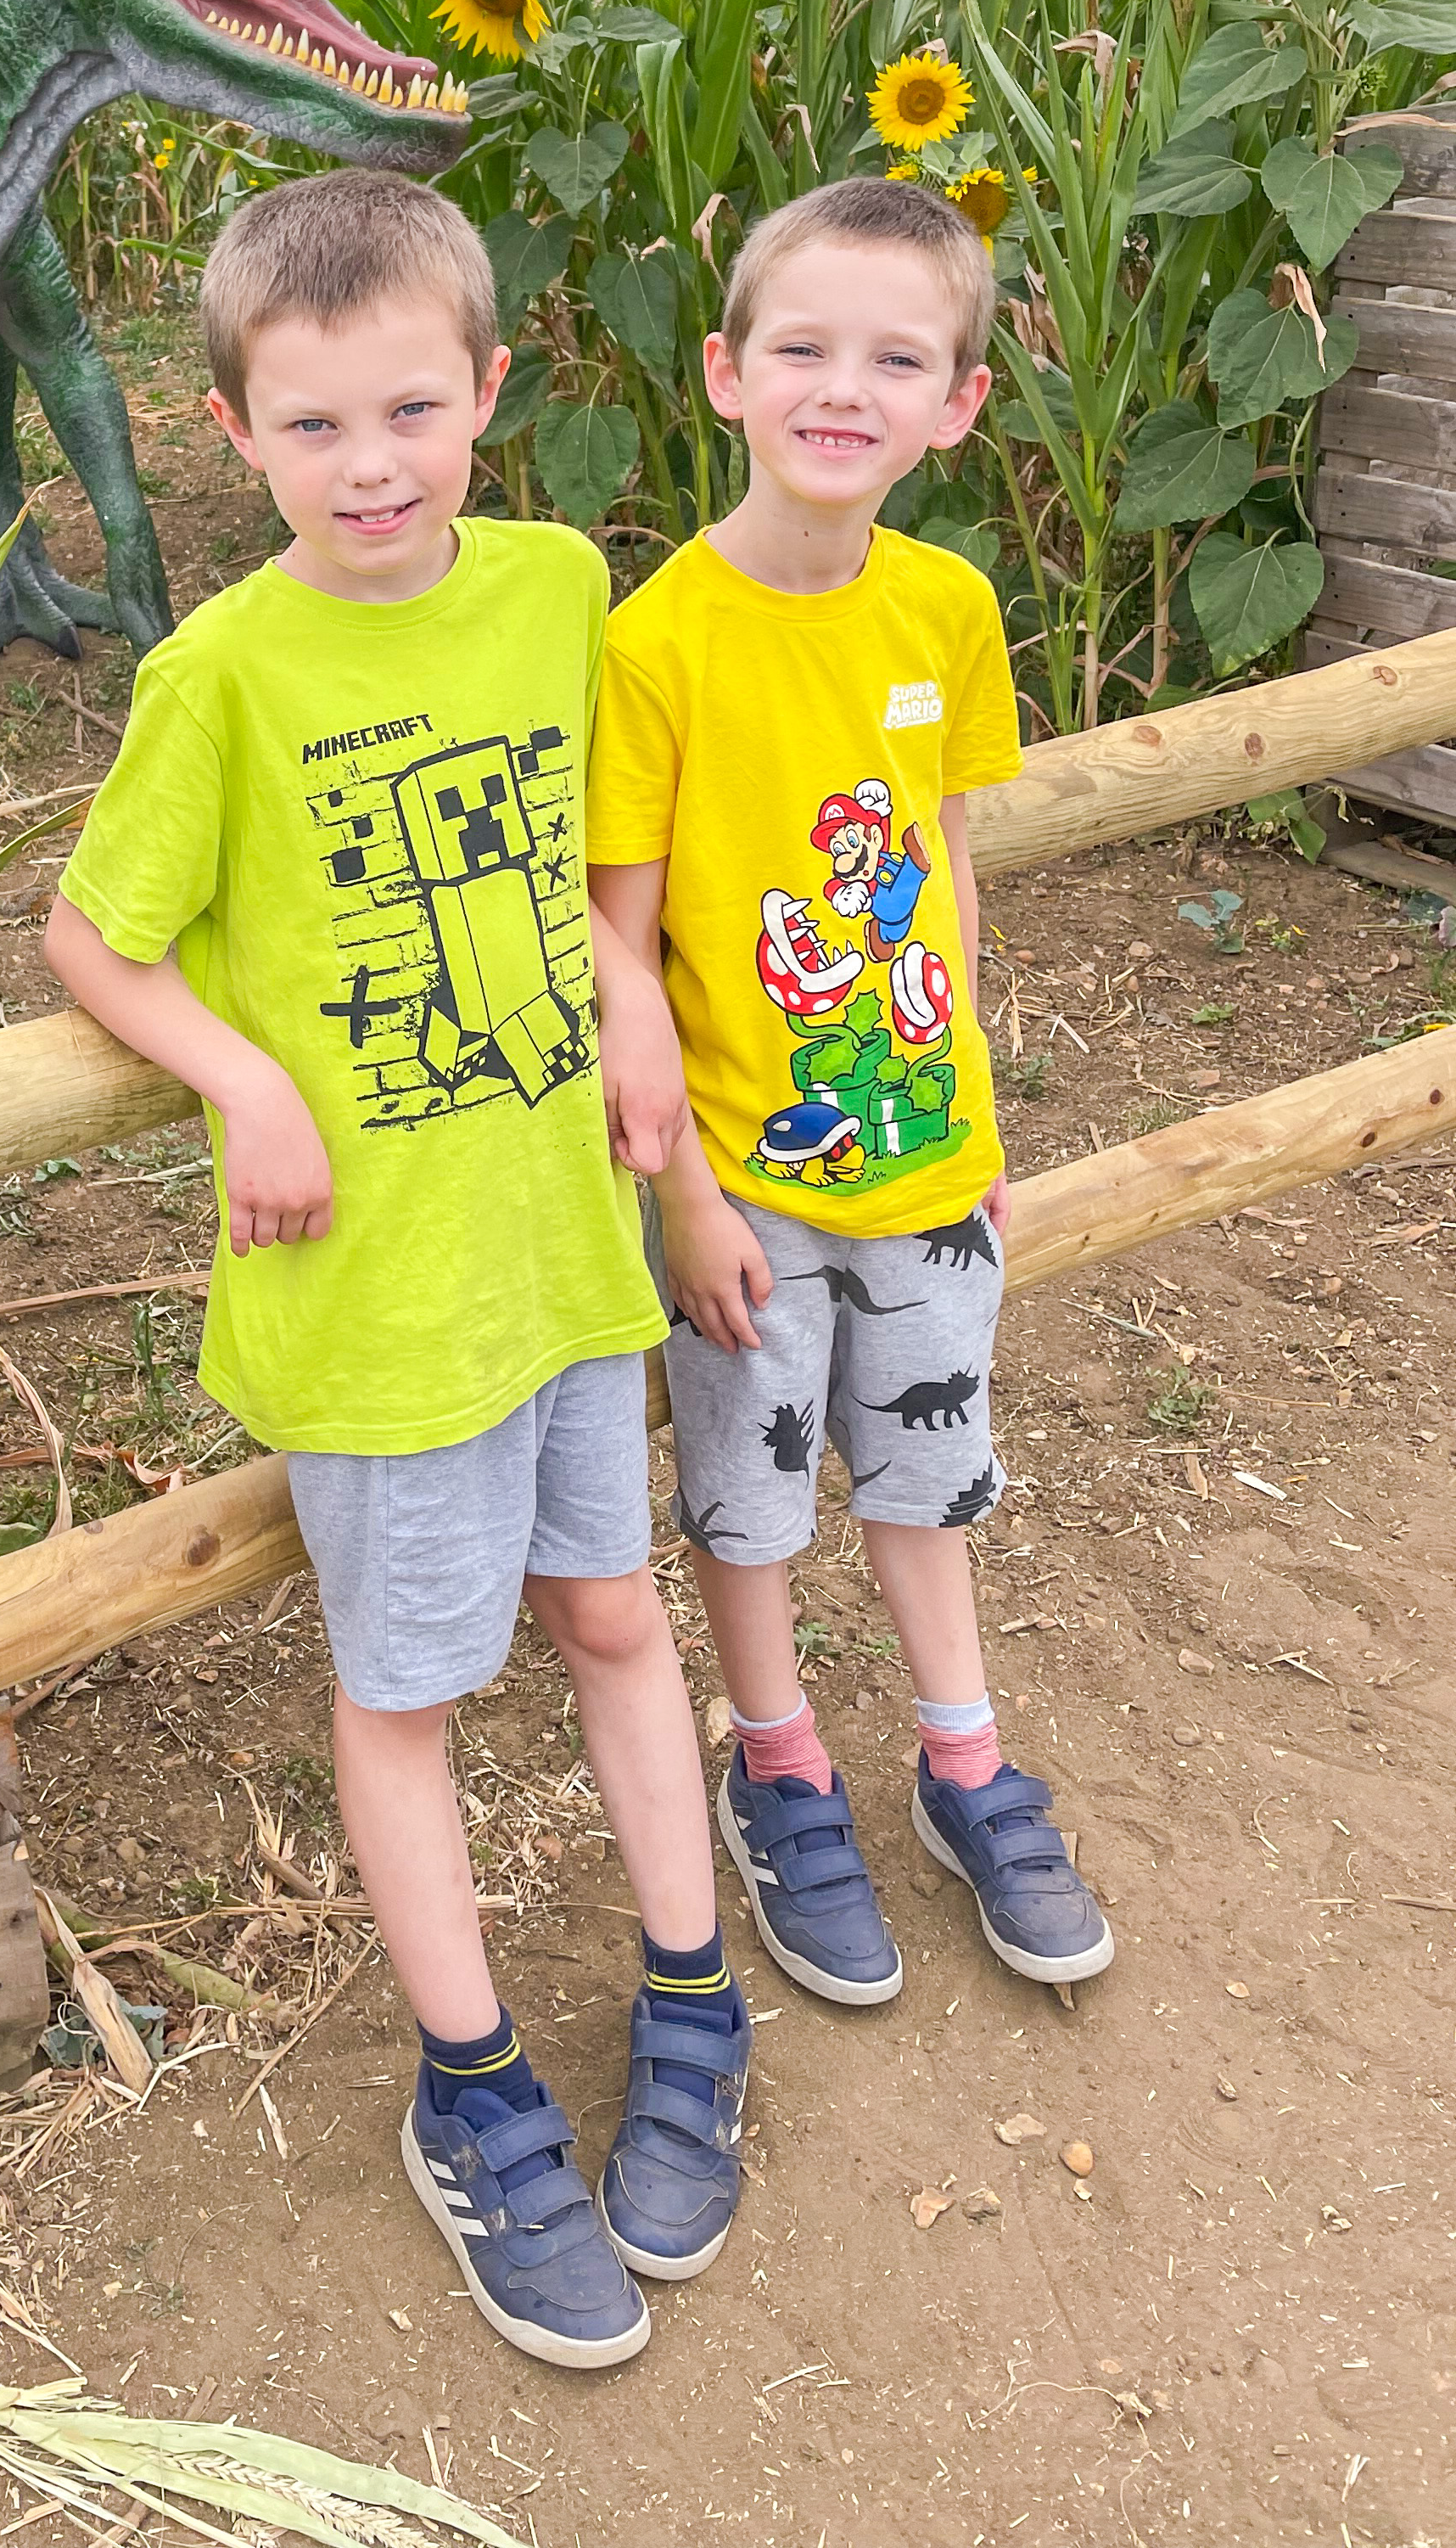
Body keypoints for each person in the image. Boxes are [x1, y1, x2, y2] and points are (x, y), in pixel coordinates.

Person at [43, 168, 747, 2371]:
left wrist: (632, 992)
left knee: (621, 1617)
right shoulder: (220, 675)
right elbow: (93, 938)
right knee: (412, 1696)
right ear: (234, 432)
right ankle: (474, 2094)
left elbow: (594, 854)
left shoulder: (554, 591)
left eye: (411, 414)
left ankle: (697, 1996)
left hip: (554, 1249)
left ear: (490, 396)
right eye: (317, 425)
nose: (372, 469)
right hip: (375, 1300)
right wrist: (244, 1085)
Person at [590, 175, 1114, 2010]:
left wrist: (968, 1083)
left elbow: (948, 852)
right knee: (749, 1497)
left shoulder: (949, 610)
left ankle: (964, 1755)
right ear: (726, 373)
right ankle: (782, 1759)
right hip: (742, 1177)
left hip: (926, 1157)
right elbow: (623, 942)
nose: (844, 387)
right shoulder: (658, 639)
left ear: (958, 405)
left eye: (897, 357)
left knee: (927, 1466)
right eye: (802, 348)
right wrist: (681, 1195)